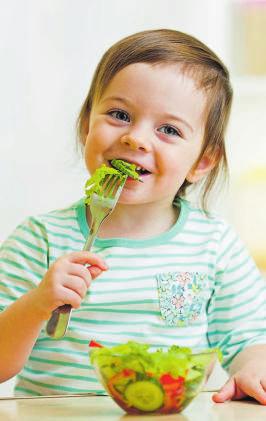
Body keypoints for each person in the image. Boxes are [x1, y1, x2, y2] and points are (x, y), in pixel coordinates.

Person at [1, 29, 266, 404]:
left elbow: (251, 339)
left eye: (169, 130)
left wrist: (254, 367)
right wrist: (37, 304)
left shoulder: (214, 246)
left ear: (203, 161)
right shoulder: (39, 240)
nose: (136, 138)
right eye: (120, 114)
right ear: (86, 126)